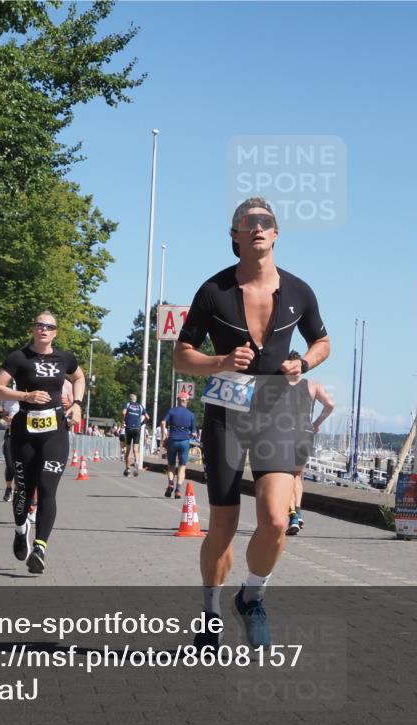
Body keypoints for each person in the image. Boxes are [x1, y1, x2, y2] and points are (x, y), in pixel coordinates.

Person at [173, 196, 329, 650]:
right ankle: (210, 612)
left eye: (265, 222)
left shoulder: (299, 291)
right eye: (248, 223)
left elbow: (322, 341)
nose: (257, 228)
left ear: (276, 234)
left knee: (277, 520)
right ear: (235, 237)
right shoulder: (213, 291)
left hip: (279, 410)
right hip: (226, 412)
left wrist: (304, 362)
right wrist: (220, 360)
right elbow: (182, 355)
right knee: (221, 524)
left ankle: (253, 595)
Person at [0, 311, 85, 574]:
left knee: (47, 488)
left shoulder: (65, 358)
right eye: (39, 325)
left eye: (49, 326)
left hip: (55, 430)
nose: (43, 329)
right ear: (33, 329)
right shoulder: (19, 357)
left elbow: (79, 377)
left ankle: (40, 547)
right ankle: (21, 530)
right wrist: (26, 395)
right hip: (25, 429)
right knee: (24, 489)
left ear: (55, 332)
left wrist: (77, 405)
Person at [284, 350, 335, 536]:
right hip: (305, 433)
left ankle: (292, 516)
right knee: (298, 475)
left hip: (285, 434)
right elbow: (330, 404)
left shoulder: (280, 385)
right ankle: (297, 511)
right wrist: (316, 423)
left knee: (286, 475)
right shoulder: (313, 385)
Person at [161, 392, 198, 498]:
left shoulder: (172, 411)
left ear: (178, 400)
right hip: (184, 441)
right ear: (187, 401)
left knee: (171, 464)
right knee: (182, 466)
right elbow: (194, 433)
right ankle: (178, 490)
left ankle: (171, 483)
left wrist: (164, 435)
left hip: (172, 440)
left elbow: (163, 422)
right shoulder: (191, 415)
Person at [121, 393, 148, 477]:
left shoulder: (128, 404)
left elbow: (123, 412)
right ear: (136, 399)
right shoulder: (140, 406)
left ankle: (127, 469)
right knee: (136, 449)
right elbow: (147, 417)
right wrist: (142, 423)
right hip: (137, 428)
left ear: (130, 399)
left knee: (128, 449)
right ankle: (136, 462)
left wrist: (123, 421)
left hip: (128, 428)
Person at [0, 398, 20, 502]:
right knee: (10, 464)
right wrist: (7, 418)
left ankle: (17, 490)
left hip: (25, 436)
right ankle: (8, 488)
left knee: (19, 465)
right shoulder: (8, 399)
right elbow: (3, 416)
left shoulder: (30, 398)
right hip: (10, 434)